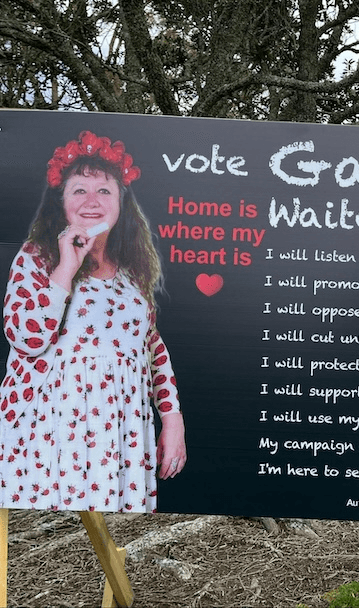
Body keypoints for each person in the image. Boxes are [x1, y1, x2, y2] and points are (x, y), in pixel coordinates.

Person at [0, 131, 186, 512]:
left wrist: (172, 419)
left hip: (119, 435)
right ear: (61, 202)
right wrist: (66, 268)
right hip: (47, 432)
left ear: (120, 203)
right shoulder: (36, 257)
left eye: (104, 191)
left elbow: (152, 347)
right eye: (78, 190)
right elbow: (26, 339)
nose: (91, 201)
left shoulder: (133, 272)